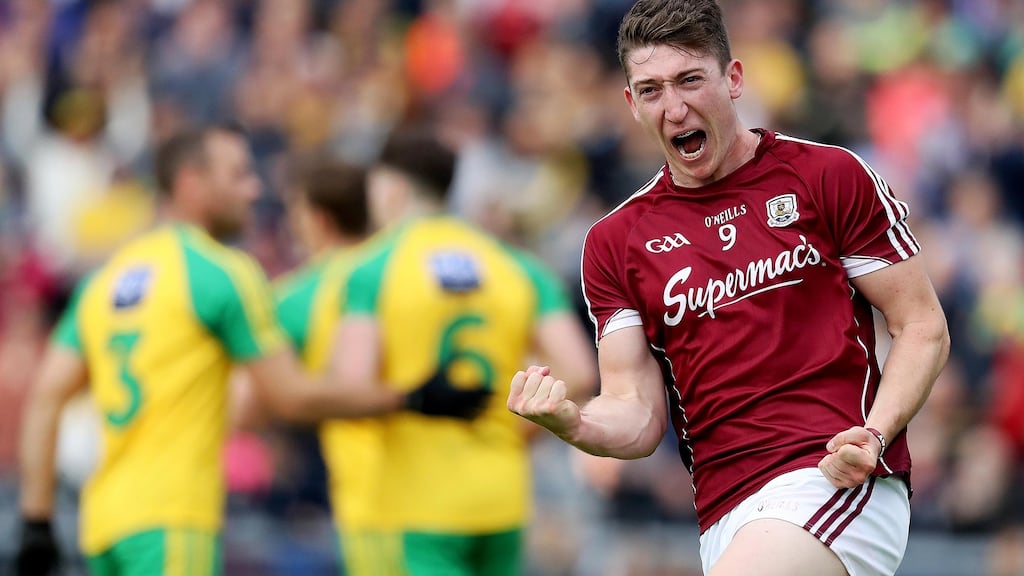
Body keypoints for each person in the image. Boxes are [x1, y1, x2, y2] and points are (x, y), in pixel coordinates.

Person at [507, 2, 951, 575]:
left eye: (690, 80)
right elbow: (637, 412)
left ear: (733, 79)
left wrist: (874, 433)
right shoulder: (615, 242)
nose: (674, 107)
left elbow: (923, 327)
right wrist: (576, 423)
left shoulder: (826, 175)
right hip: (723, 510)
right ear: (630, 105)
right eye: (651, 90)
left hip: (832, 476)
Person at [16, 123, 489, 576]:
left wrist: (36, 520)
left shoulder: (104, 282)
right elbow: (291, 396)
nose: (254, 190)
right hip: (174, 519)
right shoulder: (222, 272)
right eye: (238, 175)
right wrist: (412, 397)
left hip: (103, 524)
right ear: (191, 182)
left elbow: (45, 398)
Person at [327, 127, 597, 576]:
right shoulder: (519, 267)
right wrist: (515, 432)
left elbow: (351, 389)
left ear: (390, 186)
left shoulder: (370, 268)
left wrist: (409, 397)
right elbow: (581, 373)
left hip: (416, 502)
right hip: (502, 495)